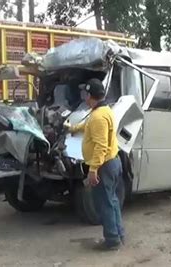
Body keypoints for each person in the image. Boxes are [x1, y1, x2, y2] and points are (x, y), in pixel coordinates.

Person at [65, 78, 125, 251]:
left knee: (104, 203)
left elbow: (100, 146)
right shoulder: (103, 111)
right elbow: (89, 125)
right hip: (113, 162)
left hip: (104, 166)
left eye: (86, 94)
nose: (84, 98)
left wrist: (93, 170)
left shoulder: (98, 116)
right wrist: (74, 128)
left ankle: (112, 240)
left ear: (91, 96)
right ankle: (118, 234)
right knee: (112, 201)